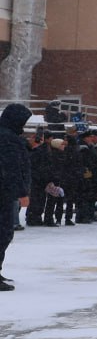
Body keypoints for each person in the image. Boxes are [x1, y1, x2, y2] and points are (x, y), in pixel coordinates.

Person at [0, 103, 33, 291]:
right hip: (4, 192)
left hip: (5, 190)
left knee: (4, 232)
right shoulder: (7, 138)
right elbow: (11, 168)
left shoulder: (8, 136)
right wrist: (21, 193)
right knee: (3, 232)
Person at [26, 129, 51, 227]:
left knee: (37, 199)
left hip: (37, 178)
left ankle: (33, 216)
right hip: (39, 178)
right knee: (38, 199)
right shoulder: (41, 152)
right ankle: (34, 217)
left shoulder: (35, 152)